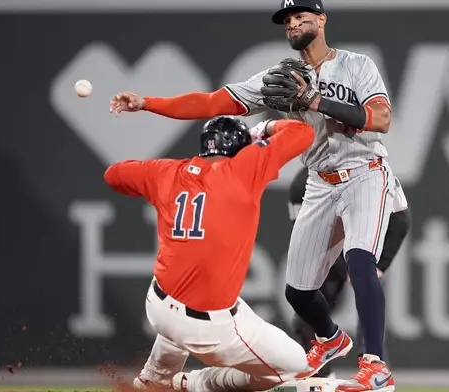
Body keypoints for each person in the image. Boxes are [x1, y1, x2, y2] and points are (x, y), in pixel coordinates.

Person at [109, 0, 397, 389]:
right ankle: (331, 339)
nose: (294, 23)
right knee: (298, 292)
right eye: (288, 20)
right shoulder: (278, 77)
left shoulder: (357, 65)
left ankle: (375, 364)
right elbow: (212, 102)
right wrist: (148, 103)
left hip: (364, 173)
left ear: (322, 19)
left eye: (301, 16)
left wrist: (314, 102)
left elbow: (380, 119)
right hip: (319, 181)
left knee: (360, 261)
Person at [103, 116, 315, 392]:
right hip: (209, 330)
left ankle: (153, 379)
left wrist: (151, 175)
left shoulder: (166, 172)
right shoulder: (244, 167)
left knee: (195, 304)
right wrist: (261, 131)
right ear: (240, 148)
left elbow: (114, 175)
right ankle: (196, 383)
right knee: (298, 366)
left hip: (158, 306)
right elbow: (303, 131)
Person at [287, 168, 411, 379]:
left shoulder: (371, 173)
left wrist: (379, 265)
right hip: (331, 250)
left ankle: (373, 363)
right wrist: (342, 269)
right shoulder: (304, 185)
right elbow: (309, 238)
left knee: (367, 282)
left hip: (364, 238)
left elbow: (400, 218)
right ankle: (320, 373)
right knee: (302, 303)